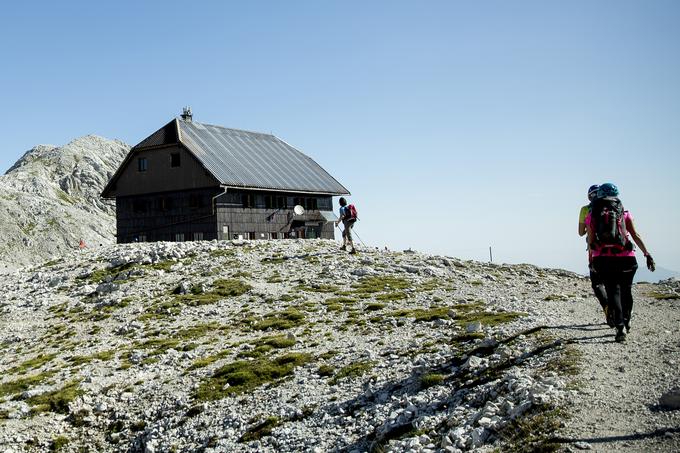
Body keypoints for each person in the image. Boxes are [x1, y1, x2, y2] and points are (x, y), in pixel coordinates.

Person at [586, 183, 655, 343]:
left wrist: (593, 258)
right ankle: (627, 318)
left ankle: (620, 328)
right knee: (626, 290)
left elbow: (590, 240)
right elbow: (635, 234)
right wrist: (646, 253)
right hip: (626, 257)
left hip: (603, 259)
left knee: (612, 292)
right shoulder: (624, 213)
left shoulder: (592, 214)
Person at [579, 184, 609, 323]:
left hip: (595, 250)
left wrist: (589, 227)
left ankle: (607, 307)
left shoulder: (585, 210)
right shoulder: (612, 208)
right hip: (617, 250)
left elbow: (580, 233)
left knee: (597, 283)